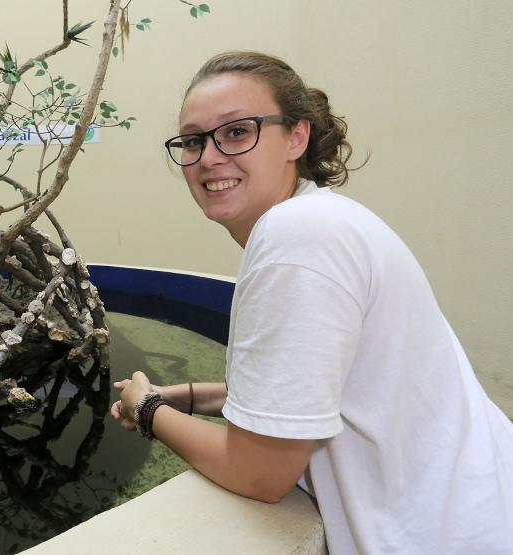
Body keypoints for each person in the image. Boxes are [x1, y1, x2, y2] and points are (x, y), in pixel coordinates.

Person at [110, 51, 513, 554]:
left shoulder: (295, 237)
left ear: (296, 137)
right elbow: (324, 390)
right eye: (192, 140)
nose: (209, 156)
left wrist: (146, 408)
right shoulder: (325, 218)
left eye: (237, 131)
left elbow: (259, 472)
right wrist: (188, 396)